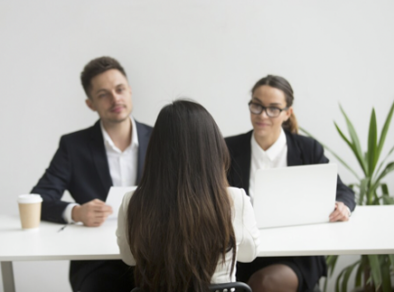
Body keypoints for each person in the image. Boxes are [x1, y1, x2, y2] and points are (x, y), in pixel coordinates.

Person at [31, 56, 152, 292]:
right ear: (90, 104)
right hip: (97, 263)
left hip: (153, 255)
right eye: (103, 94)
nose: (115, 99)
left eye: (120, 89)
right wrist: (75, 212)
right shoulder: (73, 146)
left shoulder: (160, 139)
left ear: (130, 91)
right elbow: (39, 199)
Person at [225, 75, 356, 292]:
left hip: (297, 253)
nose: (263, 115)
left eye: (273, 108)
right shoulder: (229, 148)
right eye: (257, 106)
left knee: (264, 284)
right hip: (244, 252)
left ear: (288, 113)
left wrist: (343, 205)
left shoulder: (307, 149)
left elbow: (343, 190)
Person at [116, 100, 260, 292]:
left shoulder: (133, 201)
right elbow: (249, 254)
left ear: (156, 151)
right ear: (213, 148)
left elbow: (129, 257)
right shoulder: (234, 200)